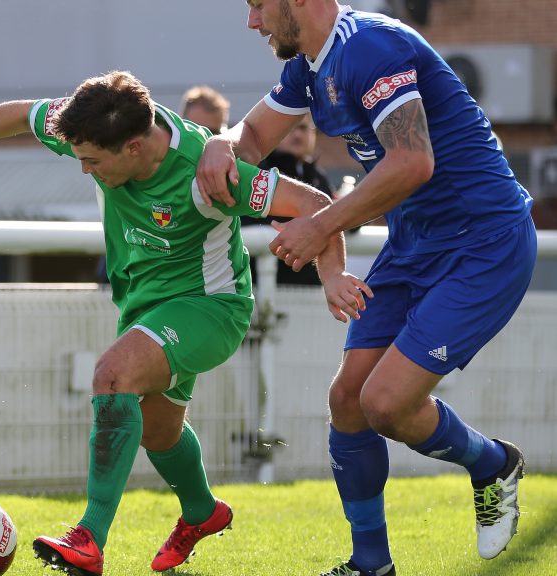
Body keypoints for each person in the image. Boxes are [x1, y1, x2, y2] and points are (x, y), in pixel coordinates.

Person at [0, 70, 371, 576]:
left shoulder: (207, 173)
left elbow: (314, 204)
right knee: (158, 434)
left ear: (134, 148)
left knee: (112, 375)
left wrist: (332, 276)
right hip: (145, 308)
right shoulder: (94, 128)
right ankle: (202, 512)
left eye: (93, 161)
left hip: (211, 308)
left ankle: (89, 537)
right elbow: (20, 115)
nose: (84, 170)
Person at [196, 2, 536, 575]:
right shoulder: (309, 63)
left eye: (258, 5)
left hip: (484, 243)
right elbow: (253, 134)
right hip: (414, 244)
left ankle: (492, 464)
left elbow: (412, 162)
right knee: (347, 403)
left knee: (384, 404)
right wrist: (220, 143)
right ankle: (371, 565)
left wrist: (321, 225)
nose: (253, 22)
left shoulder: (371, 48)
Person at [248, 112, 336, 285]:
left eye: (303, 128)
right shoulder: (258, 173)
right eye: (290, 128)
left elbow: (344, 222)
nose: (297, 135)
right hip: (263, 284)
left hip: (308, 289)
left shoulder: (317, 176)